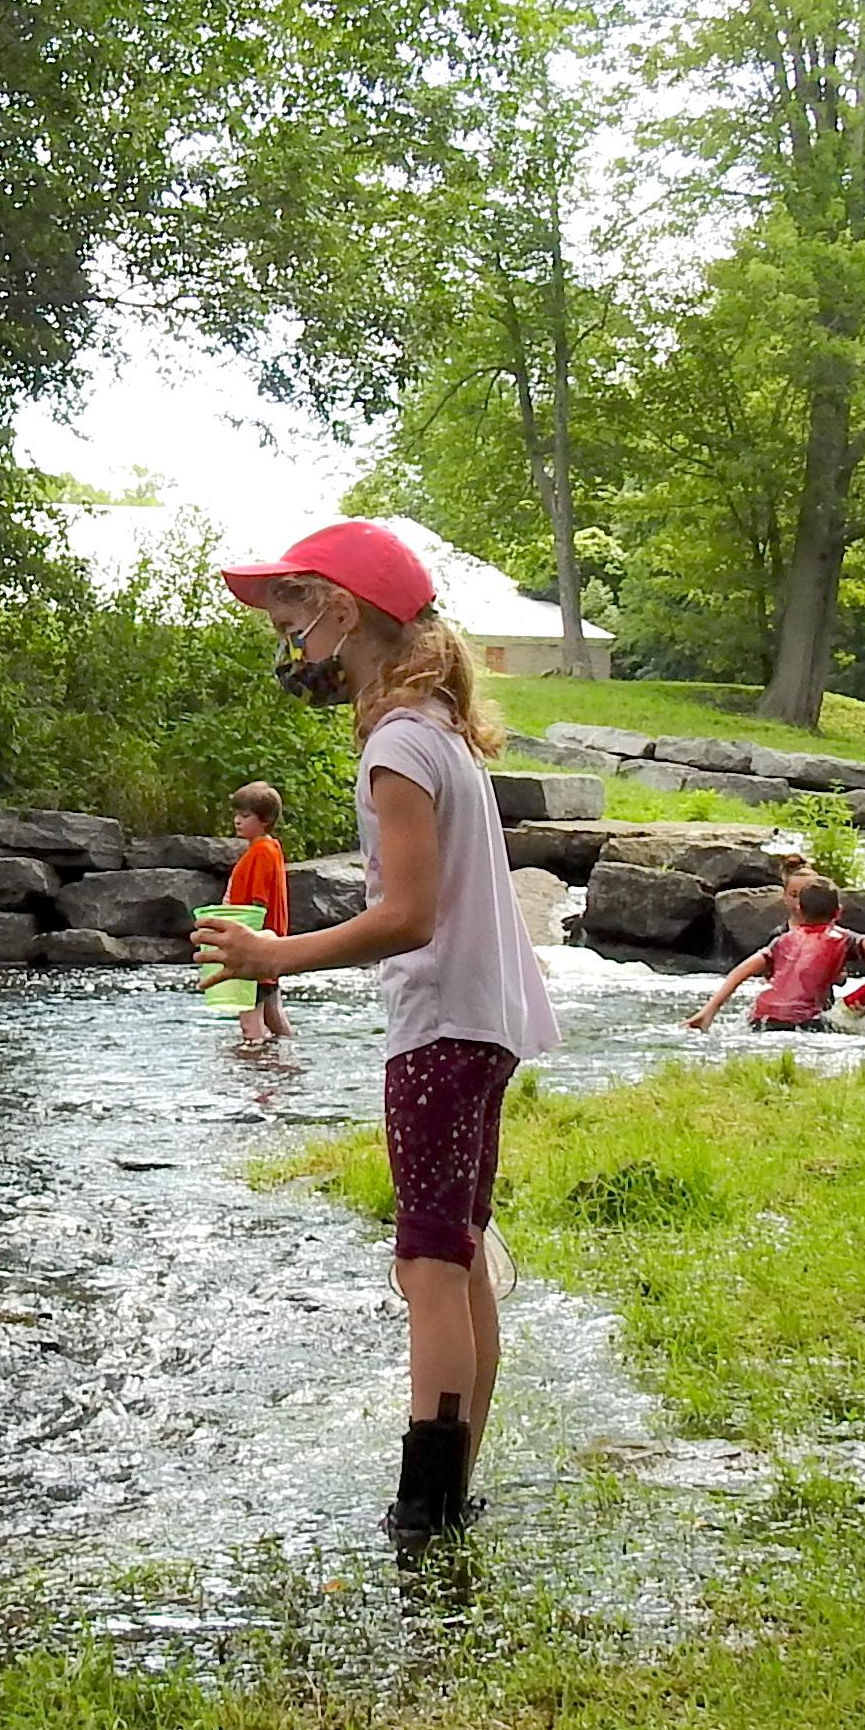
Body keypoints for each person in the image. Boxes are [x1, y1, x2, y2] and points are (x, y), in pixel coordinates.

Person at [188, 521, 553, 1541]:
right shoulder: (434, 729)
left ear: (343, 613)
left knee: (430, 1265)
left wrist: (274, 959)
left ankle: (426, 1510)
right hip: (482, 1023)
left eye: (292, 613)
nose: (288, 637)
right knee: (462, 1254)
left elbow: (409, 917)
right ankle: (456, 1486)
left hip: (440, 1028)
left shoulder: (398, 745)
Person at [685, 867, 865, 1035]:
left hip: (763, 1017)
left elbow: (742, 969)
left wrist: (709, 1010)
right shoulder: (840, 939)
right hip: (805, 1020)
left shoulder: (781, 941)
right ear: (838, 911)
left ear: (802, 908)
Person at [224, 779, 294, 1055]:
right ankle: (285, 1055)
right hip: (269, 949)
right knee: (274, 1015)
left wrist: (248, 943)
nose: (237, 821)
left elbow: (257, 904)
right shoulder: (268, 849)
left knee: (249, 1018)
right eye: (236, 815)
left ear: (264, 820)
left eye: (245, 816)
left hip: (256, 948)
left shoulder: (262, 853)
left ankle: (254, 1059)